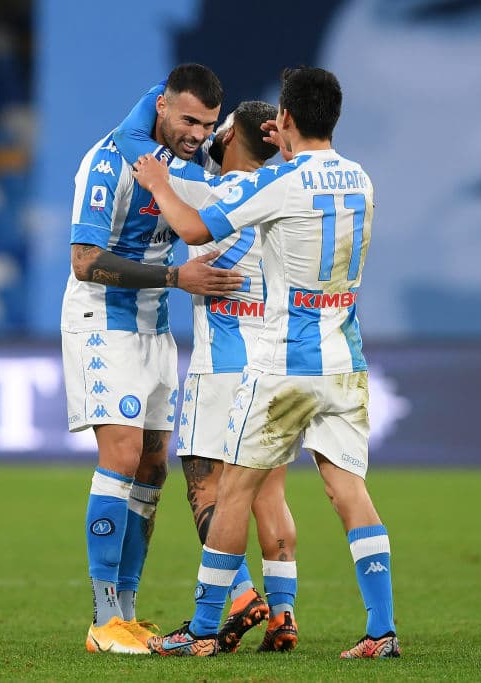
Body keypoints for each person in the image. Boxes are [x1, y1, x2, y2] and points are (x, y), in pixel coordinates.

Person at [133, 66, 400, 659]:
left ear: (288, 119)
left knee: (233, 494)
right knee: (348, 491)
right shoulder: (361, 177)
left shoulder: (282, 183)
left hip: (283, 365)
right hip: (344, 358)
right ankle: (381, 630)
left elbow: (195, 225)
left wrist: (158, 184)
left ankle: (202, 632)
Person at [61, 63, 247, 655]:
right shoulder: (109, 161)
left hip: (155, 326)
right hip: (101, 322)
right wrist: (176, 275)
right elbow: (85, 262)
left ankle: (129, 613)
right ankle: (101, 618)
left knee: (151, 465)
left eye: (208, 124)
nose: (197, 133)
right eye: (188, 120)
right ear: (162, 106)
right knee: (118, 453)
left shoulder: (186, 159)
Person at [112, 89, 299, 654]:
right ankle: (284, 613)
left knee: (204, 480)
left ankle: (229, 604)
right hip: (280, 361)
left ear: (226, 136)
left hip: (224, 366)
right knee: (268, 492)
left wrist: (158, 103)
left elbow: (129, 143)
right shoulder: (289, 195)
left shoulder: (207, 192)